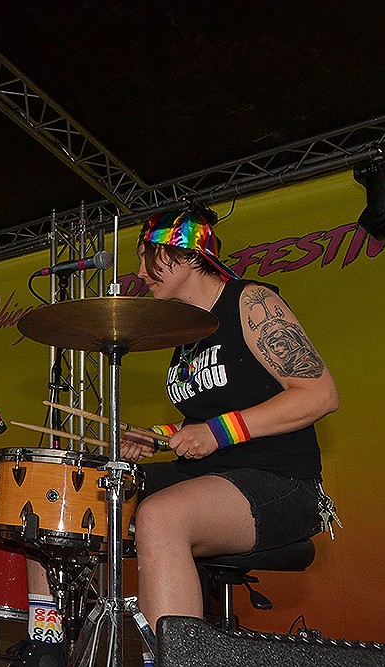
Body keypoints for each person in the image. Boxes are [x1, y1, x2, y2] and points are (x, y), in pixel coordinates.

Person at [119, 208, 339, 633]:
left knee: (160, 515)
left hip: (281, 480)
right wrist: (156, 436)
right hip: (209, 476)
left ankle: (181, 658)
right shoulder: (188, 330)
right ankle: (46, 643)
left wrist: (218, 433)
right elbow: (207, 417)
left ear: (186, 256)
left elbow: (320, 394)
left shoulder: (251, 302)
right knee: (81, 492)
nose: (140, 272)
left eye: (147, 256)